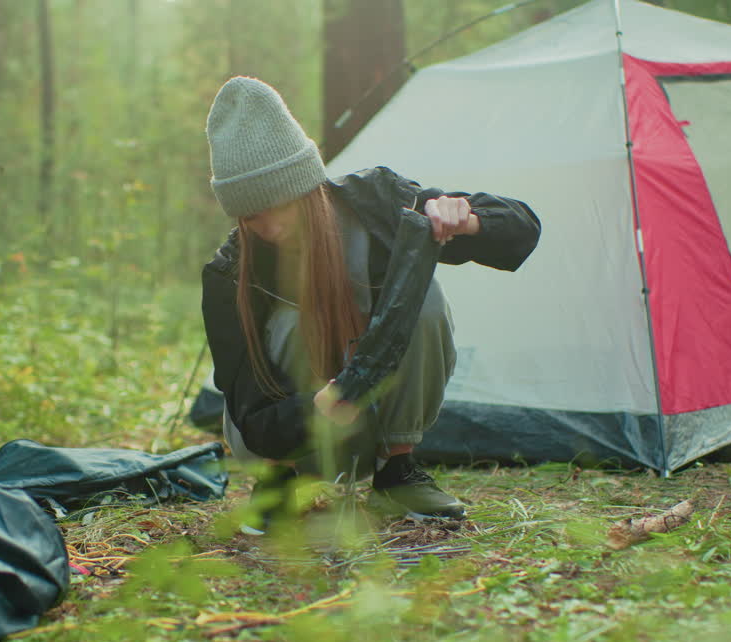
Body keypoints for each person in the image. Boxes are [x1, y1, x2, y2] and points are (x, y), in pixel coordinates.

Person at [200, 76, 539, 533]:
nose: (271, 227)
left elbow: (523, 228)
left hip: (376, 420)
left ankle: (397, 472)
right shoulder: (229, 273)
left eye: (280, 205)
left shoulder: (378, 205)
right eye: (252, 217)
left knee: (426, 297)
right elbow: (252, 413)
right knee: (287, 324)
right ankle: (277, 484)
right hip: (290, 433)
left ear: (306, 186)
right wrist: (322, 405)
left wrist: (470, 220)